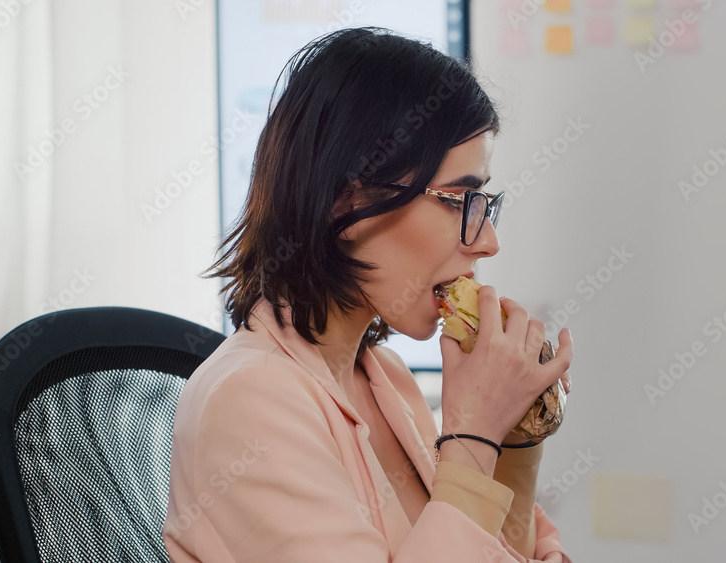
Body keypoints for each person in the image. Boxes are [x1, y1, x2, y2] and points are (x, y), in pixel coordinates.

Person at [162, 27, 574, 562]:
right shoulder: (250, 399)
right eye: (458, 200)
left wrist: (517, 441)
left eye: (484, 205)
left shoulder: (387, 379)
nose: (488, 243)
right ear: (345, 203)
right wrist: (473, 436)